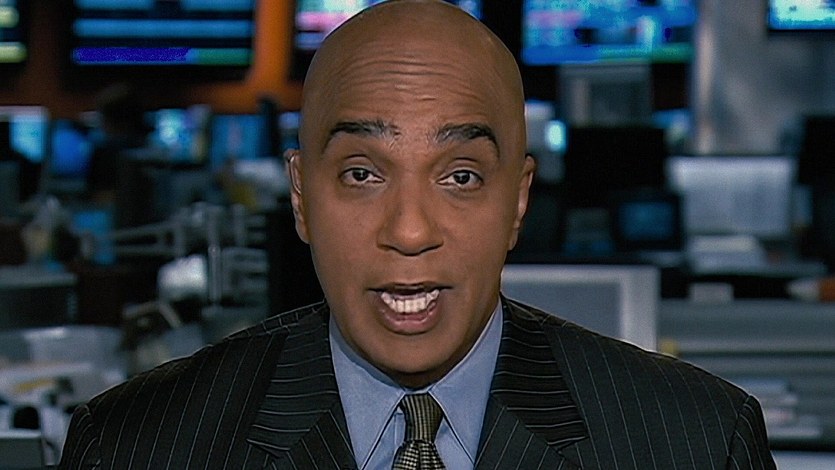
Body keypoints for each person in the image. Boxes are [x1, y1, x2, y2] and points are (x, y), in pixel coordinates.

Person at [59, 1, 776, 468]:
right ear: (301, 198)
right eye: (362, 174)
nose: (409, 231)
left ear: (518, 201)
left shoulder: (696, 442)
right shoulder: (134, 446)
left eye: (460, 176)